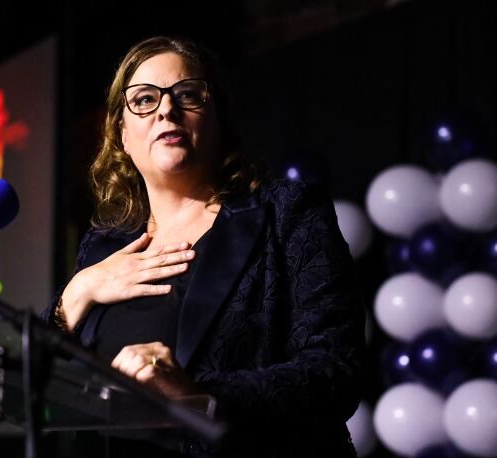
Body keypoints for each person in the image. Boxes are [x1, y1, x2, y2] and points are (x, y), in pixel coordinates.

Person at [41, 36, 365, 457]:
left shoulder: (286, 212)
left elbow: (336, 371)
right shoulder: (103, 246)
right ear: (122, 133)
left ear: (218, 120)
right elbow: (41, 377)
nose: (166, 109)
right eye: (143, 99)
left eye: (187, 95)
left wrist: (198, 396)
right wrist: (77, 292)